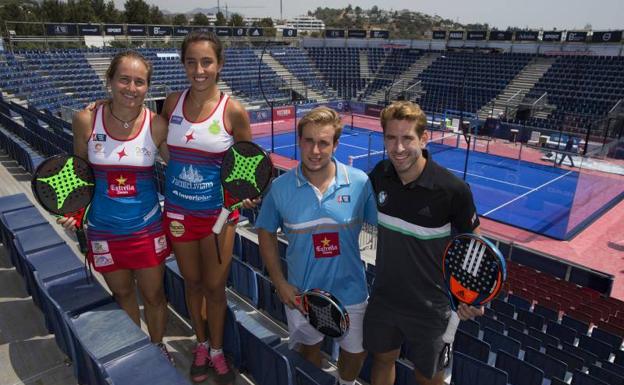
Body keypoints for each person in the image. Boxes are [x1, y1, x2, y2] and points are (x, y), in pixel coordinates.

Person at [58, 51, 173, 362]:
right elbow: (79, 172)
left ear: (148, 87)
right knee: (122, 294)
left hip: (146, 229)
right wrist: (75, 210)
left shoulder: (157, 125)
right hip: (104, 230)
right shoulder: (85, 119)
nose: (131, 88)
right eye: (124, 79)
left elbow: (179, 169)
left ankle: (158, 346)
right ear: (109, 81)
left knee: (154, 295)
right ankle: (135, 350)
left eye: (139, 82)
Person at [363, 101, 484, 385]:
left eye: (407, 138)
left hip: (431, 308)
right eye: (391, 138)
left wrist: (473, 294)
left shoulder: (453, 190)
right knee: (381, 360)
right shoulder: (380, 174)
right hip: (384, 297)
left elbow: (475, 244)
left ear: (424, 138)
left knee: (429, 377)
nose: (398, 148)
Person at [256, 107, 378, 385]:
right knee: (309, 349)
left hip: (352, 291)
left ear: (336, 144)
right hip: (302, 294)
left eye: (323, 142)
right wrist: (280, 282)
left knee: (355, 352)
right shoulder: (281, 187)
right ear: (299, 141)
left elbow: (386, 226)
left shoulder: (359, 183)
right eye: (308, 141)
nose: (315, 150)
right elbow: (265, 231)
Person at [160, 30, 252, 384]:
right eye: (191, 62)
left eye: (206, 62)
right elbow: (156, 139)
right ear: (184, 64)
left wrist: (244, 194)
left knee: (215, 288)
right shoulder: (171, 103)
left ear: (219, 65)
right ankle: (200, 345)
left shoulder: (234, 111)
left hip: (218, 217)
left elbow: (250, 166)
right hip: (180, 215)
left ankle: (216, 349)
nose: (199, 69)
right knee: (192, 283)